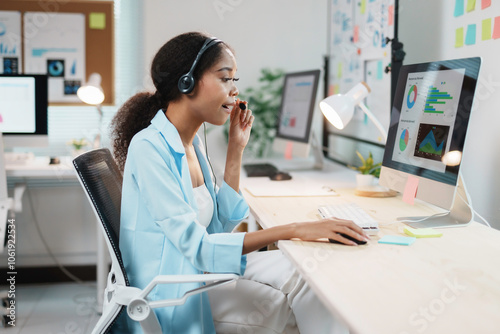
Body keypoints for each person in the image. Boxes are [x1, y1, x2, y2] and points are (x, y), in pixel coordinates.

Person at [110, 31, 368, 334]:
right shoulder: (150, 148)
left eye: (235, 80)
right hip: (172, 295)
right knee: (303, 297)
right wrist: (296, 229)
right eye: (225, 79)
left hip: (197, 273)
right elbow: (201, 248)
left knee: (309, 272)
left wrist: (236, 150)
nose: (234, 91)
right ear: (187, 82)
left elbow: (218, 228)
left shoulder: (190, 144)